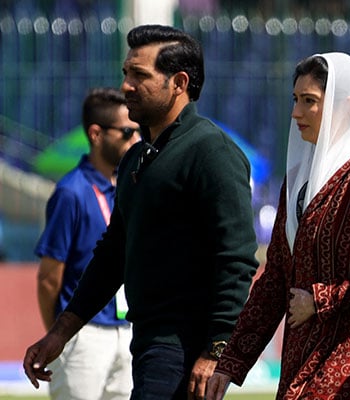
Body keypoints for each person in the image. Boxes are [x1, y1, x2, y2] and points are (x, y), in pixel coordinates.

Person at [23, 24, 259, 399]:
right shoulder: (138, 157)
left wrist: (216, 349)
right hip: (148, 341)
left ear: (178, 82)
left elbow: (236, 259)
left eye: (140, 75)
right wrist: (60, 332)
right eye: (125, 73)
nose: (127, 86)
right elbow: (112, 254)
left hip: (184, 347)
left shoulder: (211, 152)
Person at [206, 52, 350, 399]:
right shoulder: (299, 182)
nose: (296, 113)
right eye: (296, 100)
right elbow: (278, 274)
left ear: (346, 105)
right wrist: (231, 362)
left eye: (309, 101)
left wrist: (321, 300)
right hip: (306, 354)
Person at [34, 87, 140, 400]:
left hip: (127, 330)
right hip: (83, 335)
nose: (136, 140)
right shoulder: (71, 192)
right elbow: (49, 277)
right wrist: (59, 333)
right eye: (127, 132)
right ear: (96, 134)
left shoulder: (129, 186)